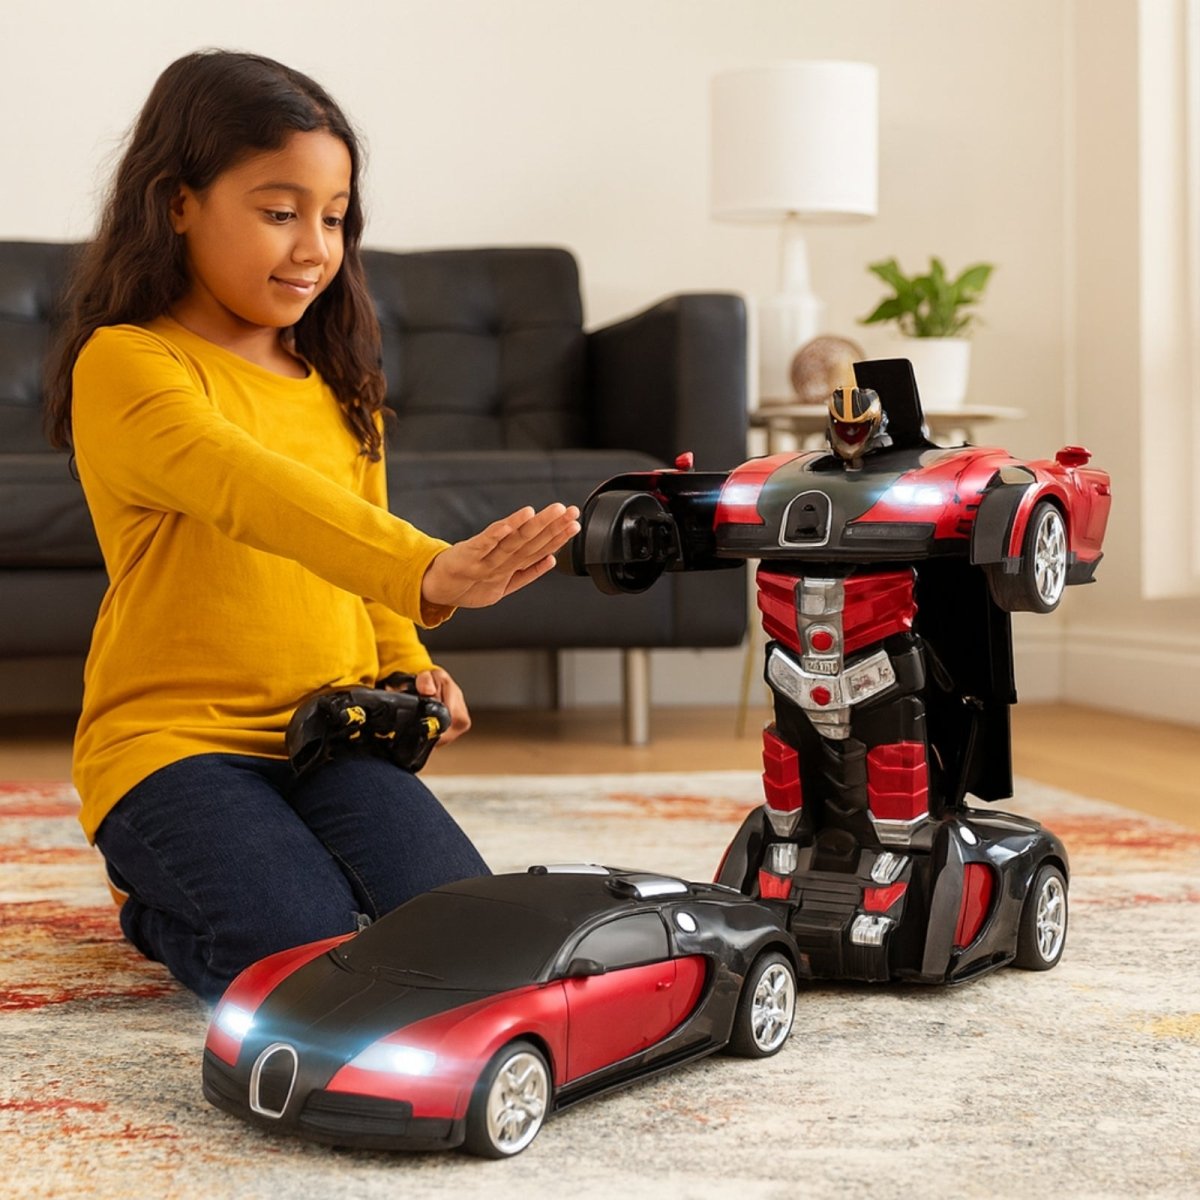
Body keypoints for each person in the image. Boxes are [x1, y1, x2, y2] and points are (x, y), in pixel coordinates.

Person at [42, 50, 580, 1002]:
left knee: (469, 942)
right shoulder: (127, 364)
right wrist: (431, 569)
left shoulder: (336, 383)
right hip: (174, 744)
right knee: (309, 961)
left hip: (331, 732)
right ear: (177, 203)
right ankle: (152, 901)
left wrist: (406, 654)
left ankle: (259, 877)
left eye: (333, 218)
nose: (312, 249)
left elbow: (356, 536)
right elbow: (252, 490)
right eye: (279, 212)